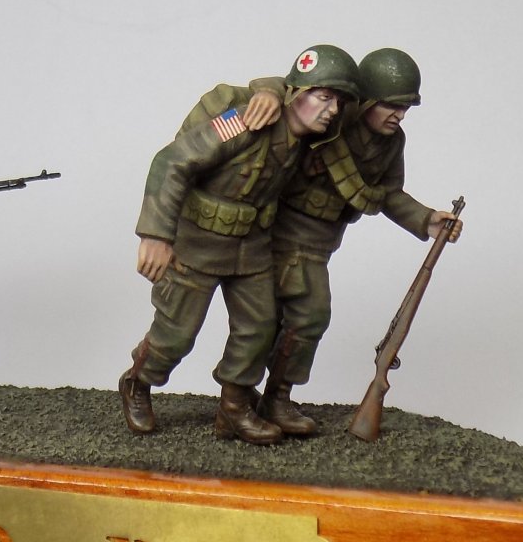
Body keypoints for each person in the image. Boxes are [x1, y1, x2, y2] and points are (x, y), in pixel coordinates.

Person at [119, 45, 360, 444]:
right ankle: (137, 382)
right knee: (176, 334)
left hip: (252, 248)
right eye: (323, 97)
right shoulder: (246, 121)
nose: (332, 110)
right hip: (200, 244)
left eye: (339, 102)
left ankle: (233, 409)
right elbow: (172, 161)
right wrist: (156, 235)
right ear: (297, 94)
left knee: (258, 328)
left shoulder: (310, 142)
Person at [242, 48, 463, 435]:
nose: (399, 115)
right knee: (306, 315)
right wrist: (268, 93)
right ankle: (268, 398)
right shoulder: (331, 118)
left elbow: (389, 193)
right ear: (366, 101)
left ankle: (251, 395)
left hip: (324, 240)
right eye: (392, 105)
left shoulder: (391, 142)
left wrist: (427, 218)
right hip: (284, 231)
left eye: (405, 107)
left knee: (278, 319)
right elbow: (293, 87)